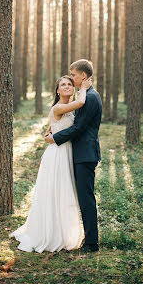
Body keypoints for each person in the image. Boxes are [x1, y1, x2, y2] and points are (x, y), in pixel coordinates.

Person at [9, 75, 92, 253]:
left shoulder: (69, 109)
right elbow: (81, 102)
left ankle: (63, 232)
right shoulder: (60, 107)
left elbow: (61, 127)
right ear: (57, 90)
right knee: (55, 193)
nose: (67, 86)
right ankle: (50, 232)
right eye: (63, 84)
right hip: (57, 155)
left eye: (70, 84)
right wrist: (83, 87)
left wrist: (51, 133)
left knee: (65, 194)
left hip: (67, 153)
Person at [45, 59, 102, 253]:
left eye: (74, 75)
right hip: (78, 154)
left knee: (86, 198)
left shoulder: (91, 98)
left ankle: (92, 243)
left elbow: (79, 127)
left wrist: (56, 138)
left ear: (83, 76)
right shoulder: (85, 96)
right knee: (80, 197)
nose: (71, 78)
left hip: (85, 155)